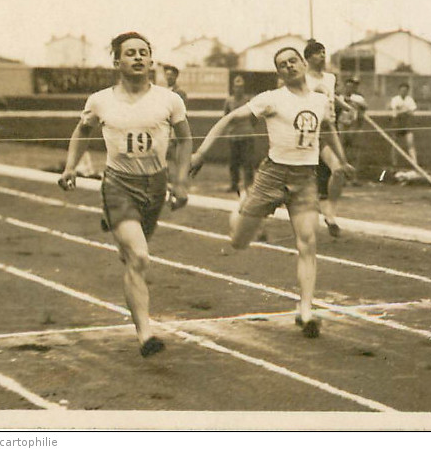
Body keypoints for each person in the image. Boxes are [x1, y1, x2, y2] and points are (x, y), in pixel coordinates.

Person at [190, 47, 352, 338]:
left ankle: (305, 311)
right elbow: (228, 119)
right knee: (239, 241)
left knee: (308, 243)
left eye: (293, 61)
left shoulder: (320, 100)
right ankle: (238, 211)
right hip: (272, 175)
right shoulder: (271, 99)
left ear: (303, 64)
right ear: (279, 73)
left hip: (304, 178)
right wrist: (201, 153)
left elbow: (328, 129)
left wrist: (341, 160)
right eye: (282, 65)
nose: (289, 66)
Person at [58, 32, 192, 357]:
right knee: (139, 257)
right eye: (130, 53)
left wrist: (181, 181)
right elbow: (82, 130)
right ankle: (145, 334)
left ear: (151, 60)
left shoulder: (169, 100)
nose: (138, 58)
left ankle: (119, 231)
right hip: (119, 184)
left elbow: (186, 140)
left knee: (133, 255)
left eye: (143, 52)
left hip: (156, 186)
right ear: (117, 61)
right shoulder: (100, 100)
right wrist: (70, 167)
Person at [304, 40, 346, 237]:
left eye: (324, 52)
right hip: (311, 130)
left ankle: (330, 216)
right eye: (319, 53)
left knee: (338, 171)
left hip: (330, 128)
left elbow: (332, 96)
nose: (323, 56)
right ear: (309, 57)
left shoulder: (330, 78)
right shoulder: (302, 79)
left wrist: (346, 106)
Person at [224, 74, 256, 195]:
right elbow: (226, 116)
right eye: (236, 87)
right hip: (234, 135)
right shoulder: (229, 101)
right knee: (233, 163)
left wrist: (248, 127)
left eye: (241, 87)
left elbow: (254, 118)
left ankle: (249, 185)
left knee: (248, 162)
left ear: (243, 88)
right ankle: (234, 184)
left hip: (247, 135)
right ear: (233, 88)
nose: (238, 89)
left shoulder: (248, 100)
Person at [336, 76, 368, 183]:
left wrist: (355, 103)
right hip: (342, 125)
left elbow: (364, 108)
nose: (351, 88)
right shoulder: (339, 97)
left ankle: (354, 178)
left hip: (353, 125)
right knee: (341, 152)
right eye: (349, 86)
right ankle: (342, 178)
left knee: (353, 152)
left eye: (353, 86)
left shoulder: (358, 98)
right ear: (345, 86)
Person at [389, 83, 419, 167]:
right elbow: (395, 112)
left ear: (408, 91)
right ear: (399, 91)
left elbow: (412, 112)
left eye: (405, 90)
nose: (403, 92)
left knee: (410, 143)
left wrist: (402, 110)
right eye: (402, 90)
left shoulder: (410, 99)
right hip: (397, 123)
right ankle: (394, 163)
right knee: (395, 144)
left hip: (407, 124)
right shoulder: (395, 99)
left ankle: (414, 162)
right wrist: (405, 110)